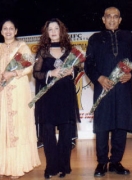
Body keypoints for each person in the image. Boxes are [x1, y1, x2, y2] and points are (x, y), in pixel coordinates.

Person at [84, 7, 132, 177]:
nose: (112, 19)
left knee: (121, 126)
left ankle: (116, 161)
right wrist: (99, 78)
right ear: (103, 19)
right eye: (108, 16)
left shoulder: (128, 37)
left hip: (123, 90)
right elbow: (88, 64)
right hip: (104, 89)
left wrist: (131, 75)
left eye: (115, 17)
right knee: (102, 127)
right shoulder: (95, 39)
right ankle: (102, 163)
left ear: (120, 19)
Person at [33, 18, 80, 179]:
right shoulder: (42, 52)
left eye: (56, 28)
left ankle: (63, 167)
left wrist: (71, 71)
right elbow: (36, 73)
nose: (53, 31)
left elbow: (78, 68)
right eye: (50, 29)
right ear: (46, 32)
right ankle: (50, 168)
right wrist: (50, 73)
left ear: (61, 31)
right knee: (48, 134)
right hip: (48, 98)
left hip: (66, 96)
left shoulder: (69, 50)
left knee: (66, 134)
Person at [0, 19, 41, 179]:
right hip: (3, 91)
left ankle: (18, 166)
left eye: (11, 28)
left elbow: (29, 67)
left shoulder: (22, 47)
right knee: (4, 125)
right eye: (5, 28)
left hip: (18, 90)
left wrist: (13, 73)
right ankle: (4, 165)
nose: (8, 31)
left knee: (17, 126)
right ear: (1, 32)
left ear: (16, 31)